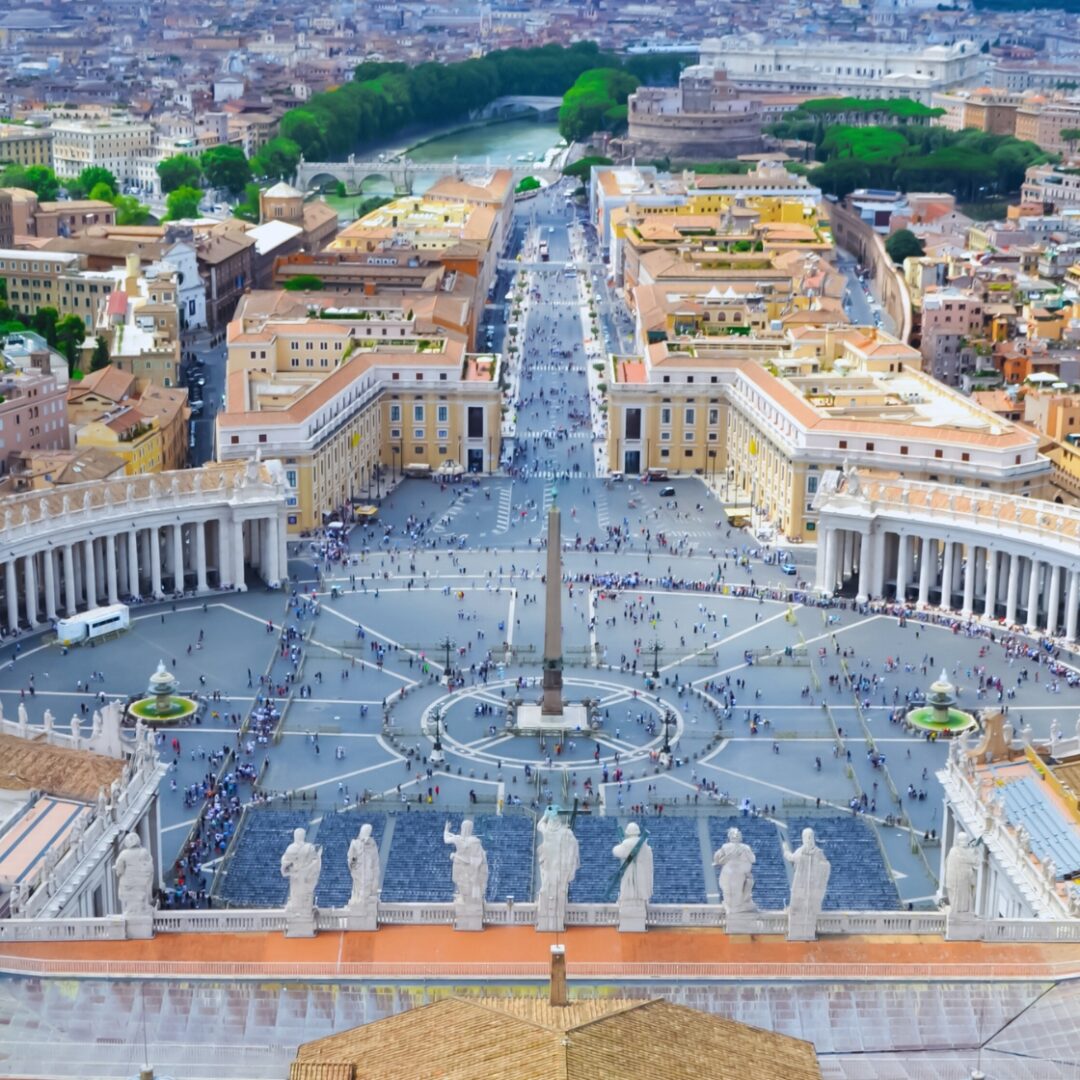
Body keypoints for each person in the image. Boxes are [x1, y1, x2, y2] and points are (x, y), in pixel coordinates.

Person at [443, 818, 488, 906]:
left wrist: (446, 830)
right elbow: (481, 857)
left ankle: (463, 897)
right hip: (472, 868)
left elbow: (446, 839)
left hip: (459, 865)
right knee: (467, 884)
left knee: (459, 883)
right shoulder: (476, 841)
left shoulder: (458, 839)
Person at [713, 827, 756, 914]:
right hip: (732, 873)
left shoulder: (744, 847)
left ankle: (733, 908)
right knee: (731, 893)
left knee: (734, 893)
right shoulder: (727, 846)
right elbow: (753, 859)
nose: (736, 836)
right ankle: (733, 908)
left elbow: (752, 859)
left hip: (737, 873)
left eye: (737, 834)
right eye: (734, 834)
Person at [280, 827, 322, 913]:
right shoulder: (309, 847)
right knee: (300, 895)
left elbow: (285, 864)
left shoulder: (292, 848)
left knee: (300, 895)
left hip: (299, 877)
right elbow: (316, 862)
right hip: (301, 878)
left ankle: (300, 907)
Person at [612, 822, 653, 905]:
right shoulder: (644, 845)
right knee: (640, 886)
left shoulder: (626, 843)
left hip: (629, 869)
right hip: (641, 871)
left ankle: (628, 899)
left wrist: (621, 844)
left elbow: (616, 851)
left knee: (628, 886)